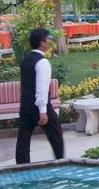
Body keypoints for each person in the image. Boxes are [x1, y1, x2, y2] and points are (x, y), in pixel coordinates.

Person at [16, 28, 64, 165]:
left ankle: (22, 165)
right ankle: (61, 161)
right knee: (56, 133)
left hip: (25, 105)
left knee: (23, 138)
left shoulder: (25, 60)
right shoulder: (42, 62)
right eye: (47, 39)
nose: (49, 42)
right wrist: (43, 111)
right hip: (39, 105)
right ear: (41, 42)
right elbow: (42, 87)